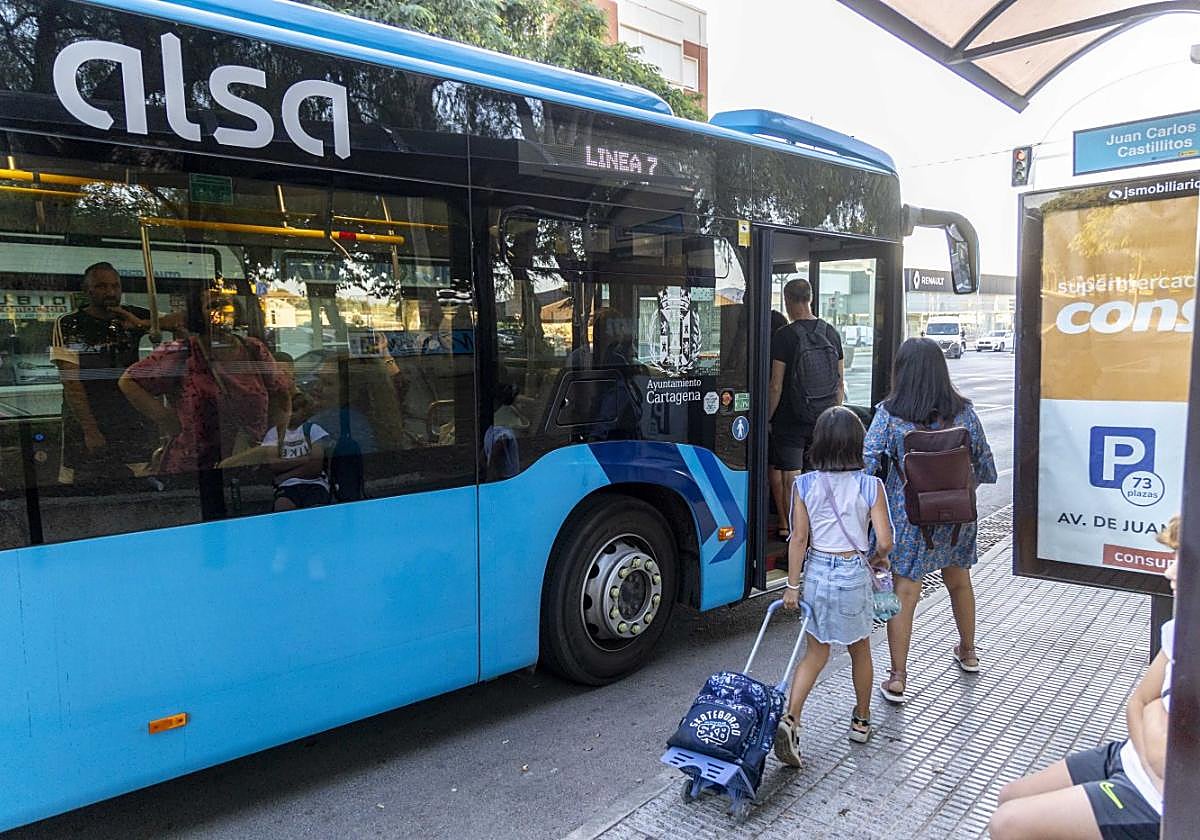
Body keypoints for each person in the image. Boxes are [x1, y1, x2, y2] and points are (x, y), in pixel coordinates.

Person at [989, 517, 1181, 840]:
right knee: (1009, 796)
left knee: (1008, 824)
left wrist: (1153, 727)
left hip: (1154, 803)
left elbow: (1168, 760)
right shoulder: (1181, 627)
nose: (1169, 572)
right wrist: (1151, 733)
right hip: (1130, 759)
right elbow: (1139, 703)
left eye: (1183, 560)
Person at [863, 337, 996, 704]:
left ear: (901, 372)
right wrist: (950, 490)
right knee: (959, 582)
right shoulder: (964, 412)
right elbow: (984, 465)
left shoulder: (890, 415)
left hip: (908, 517)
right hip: (956, 518)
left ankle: (899, 677)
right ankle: (968, 652)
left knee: (904, 592)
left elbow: (867, 463)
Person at [776, 406, 893, 766]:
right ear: (857, 444)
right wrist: (876, 559)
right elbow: (886, 540)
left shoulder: (804, 485)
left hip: (816, 573)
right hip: (852, 571)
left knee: (816, 653)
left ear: (819, 443)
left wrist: (792, 586)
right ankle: (860, 720)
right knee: (860, 651)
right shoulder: (871, 486)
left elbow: (798, 539)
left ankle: (791, 718)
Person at [118, 280, 290, 475]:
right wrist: (167, 419)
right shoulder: (182, 352)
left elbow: (282, 396)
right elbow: (129, 381)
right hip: (193, 467)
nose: (221, 312)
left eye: (226, 304)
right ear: (198, 315)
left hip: (246, 463)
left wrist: (274, 443)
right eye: (212, 306)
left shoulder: (254, 349)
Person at [50, 262, 181, 483]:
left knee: (142, 476)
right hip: (87, 418)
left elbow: (181, 321)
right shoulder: (69, 324)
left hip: (131, 417)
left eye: (115, 286)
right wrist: (90, 429)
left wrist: (143, 323)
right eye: (101, 286)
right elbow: (71, 381)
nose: (110, 292)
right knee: (80, 482)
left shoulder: (129, 316)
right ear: (87, 290)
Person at [769, 280, 844, 538]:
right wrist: (834, 417)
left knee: (792, 478)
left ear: (788, 300)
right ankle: (816, 534)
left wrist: (766, 418)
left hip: (790, 421)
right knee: (817, 477)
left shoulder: (784, 336)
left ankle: (794, 532)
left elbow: (776, 386)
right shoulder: (830, 332)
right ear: (810, 298)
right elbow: (839, 382)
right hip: (823, 419)